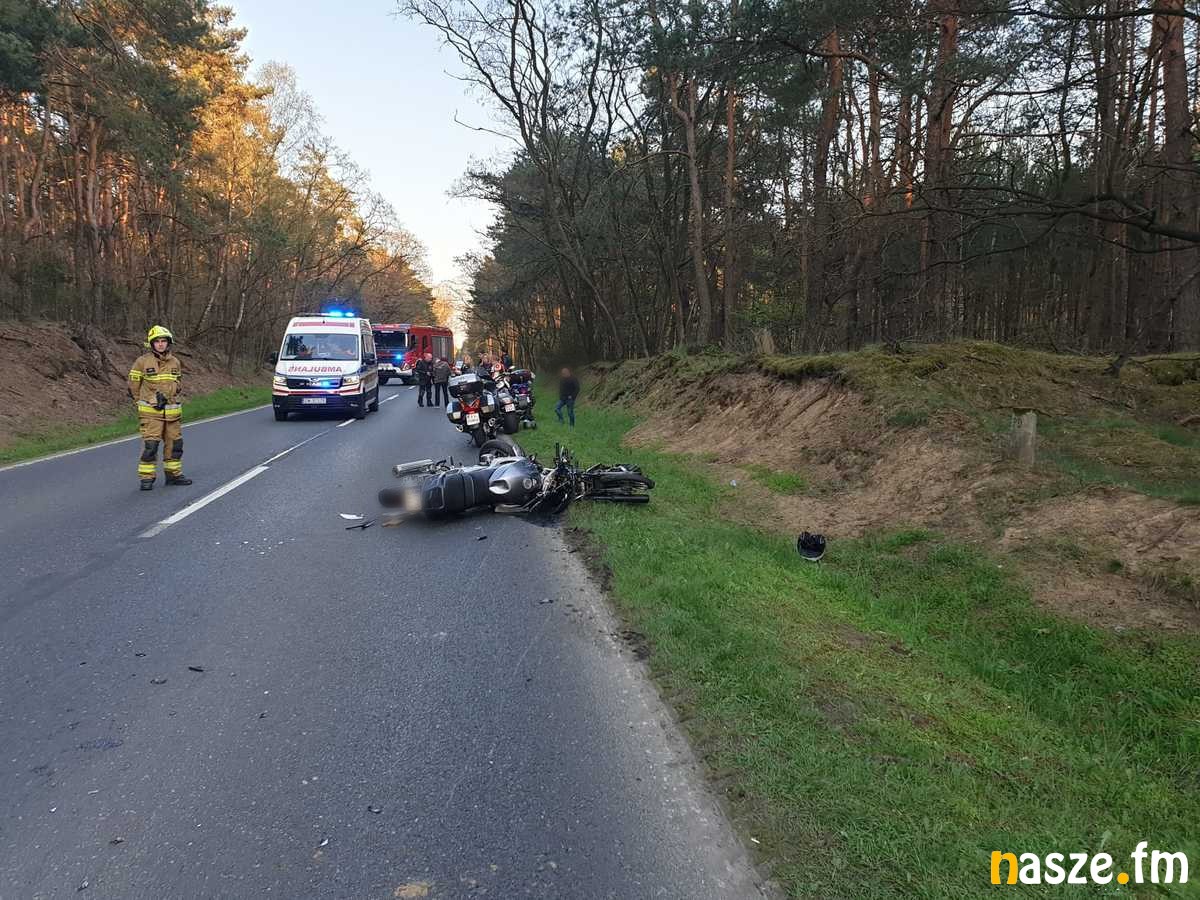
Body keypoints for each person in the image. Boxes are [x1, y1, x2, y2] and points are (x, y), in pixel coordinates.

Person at [128, 325, 192, 490]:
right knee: (150, 446)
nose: (161, 344)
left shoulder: (175, 362)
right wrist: (143, 401)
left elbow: (178, 382)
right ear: (152, 344)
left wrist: (174, 389)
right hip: (151, 414)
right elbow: (133, 386)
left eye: (163, 341)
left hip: (172, 413)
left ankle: (173, 475)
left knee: (175, 445)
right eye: (157, 341)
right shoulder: (142, 362)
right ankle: (146, 479)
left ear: (168, 343)